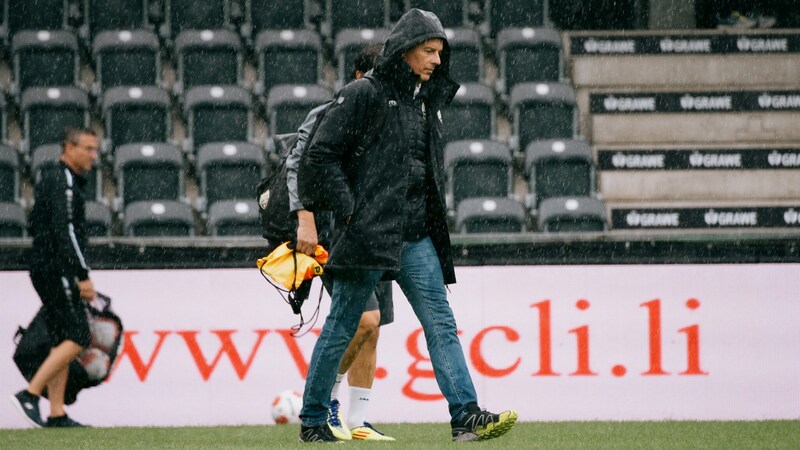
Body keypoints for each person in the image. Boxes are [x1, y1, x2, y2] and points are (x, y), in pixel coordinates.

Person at [296, 9, 517, 443]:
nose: (437, 60)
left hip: (415, 237)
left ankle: (466, 416)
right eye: (429, 50)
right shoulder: (364, 93)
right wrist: (351, 211)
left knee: (441, 323)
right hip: (368, 235)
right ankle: (313, 420)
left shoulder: (424, 100)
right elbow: (318, 157)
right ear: (405, 50)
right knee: (343, 327)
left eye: (439, 53)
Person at [284, 43, 395, 442]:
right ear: (359, 76)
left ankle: (359, 420)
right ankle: (325, 401)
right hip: (338, 231)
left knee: (374, 327)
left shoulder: (392, 110)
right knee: (363, 320)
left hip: (377, 230)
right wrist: (306, 219)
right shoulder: (336, 108)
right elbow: (299, 159)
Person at [10, 127, 100, 428]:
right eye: (87, 149)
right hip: (57, 269)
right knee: (77, 336)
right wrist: (81, 273)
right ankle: (30, 394)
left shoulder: (53, 179)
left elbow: (36, 221)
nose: (93, 156)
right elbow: (67, 231)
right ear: (69, 148)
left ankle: (57, 412)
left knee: (61, 338)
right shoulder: (65, 183)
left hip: (46, 265)